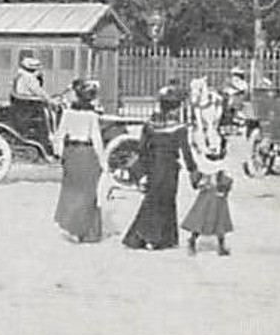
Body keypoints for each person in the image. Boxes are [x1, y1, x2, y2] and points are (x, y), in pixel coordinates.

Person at [122, 84, 201, 251]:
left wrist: (143, 168)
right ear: (175, 108)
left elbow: (142, 148)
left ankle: (140, 236)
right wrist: (193, 171)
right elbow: (186, 152)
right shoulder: (179, 128)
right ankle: (161, 238)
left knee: (151, 199)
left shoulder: (150, 125)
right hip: (170, 168)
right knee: (166, 201)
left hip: (153, 166)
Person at [53, 80, 105, 244]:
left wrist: (61, 155)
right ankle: (87, 231)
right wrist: (103, 161)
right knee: (88, 193)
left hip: (71, 152)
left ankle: (71, 225)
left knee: (71, 190)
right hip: (87, 153)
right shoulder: (92, 116)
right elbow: (96, 139)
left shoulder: (68, 113)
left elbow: (59, 136)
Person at [182, 169, 235, 256]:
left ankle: (221, 244)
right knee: (202, 215)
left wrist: (225, 185)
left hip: (218, 186)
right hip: (208, 188)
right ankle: (193, 240)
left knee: (220, 216)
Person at [10, 54, 51, 145]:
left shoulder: (21, 75)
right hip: (28, 106)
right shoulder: (28, 78)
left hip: (23, 104)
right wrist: (50, 100)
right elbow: (39, 92)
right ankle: (47, 138)